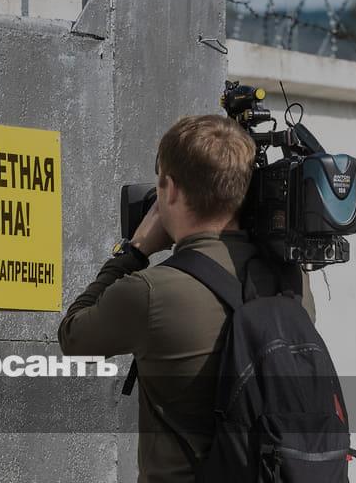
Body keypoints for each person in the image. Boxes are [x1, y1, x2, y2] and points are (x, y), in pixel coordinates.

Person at [57, 114, 314, 483]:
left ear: (172, 190)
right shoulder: (294, 281)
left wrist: (133, 252)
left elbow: (73, 336)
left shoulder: (149, 292)